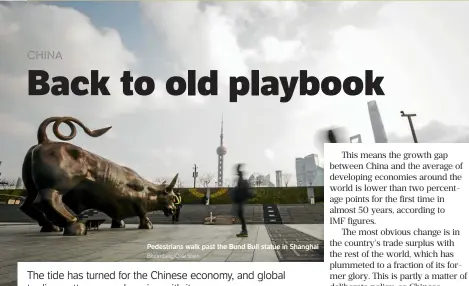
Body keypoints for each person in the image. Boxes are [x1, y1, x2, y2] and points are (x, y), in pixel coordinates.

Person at [231, 164, 252, 237]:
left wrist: (238, 167)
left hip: (241, 200)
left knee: (241, 215)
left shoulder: (241, 180)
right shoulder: (241, 181)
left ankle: (244, 231)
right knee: (240, 215)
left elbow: (242, 190)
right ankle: (244, 230)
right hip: (241, 200)